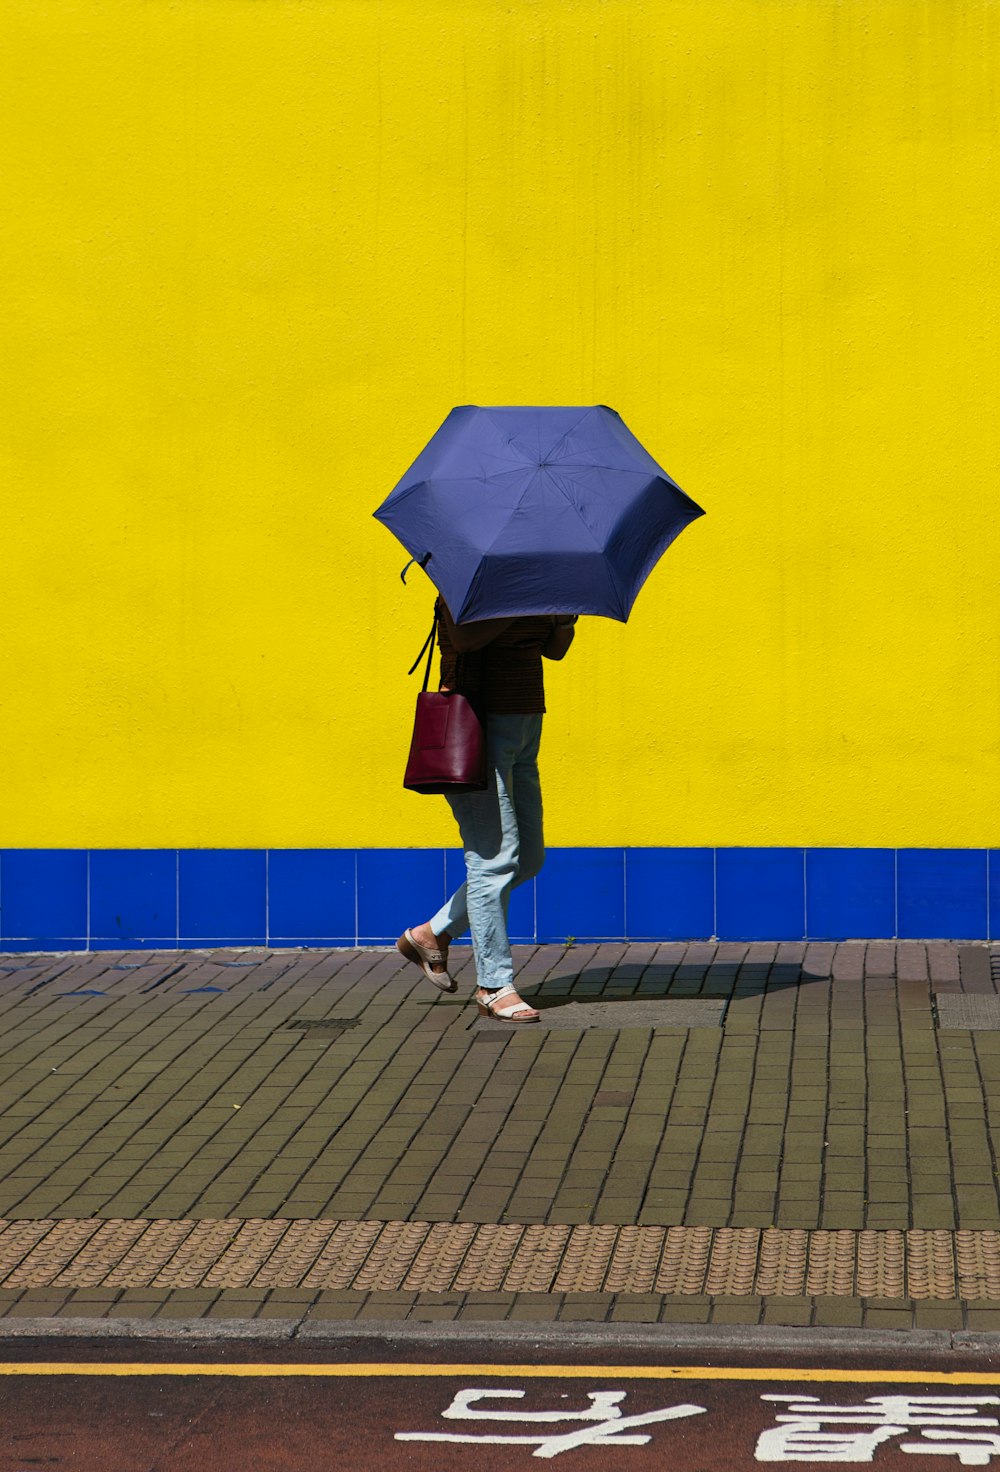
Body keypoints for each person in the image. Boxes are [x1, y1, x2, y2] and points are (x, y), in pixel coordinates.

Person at [398, 597, 577, 1022]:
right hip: (477, 727)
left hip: (524, 724)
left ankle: (429, 934)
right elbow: (463, 639)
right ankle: (494, 984)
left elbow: (554, 650)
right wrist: (516, 605)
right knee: (493, 860)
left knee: (528, 858)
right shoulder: (467, 583)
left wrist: (563, 617)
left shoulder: (540, 581)